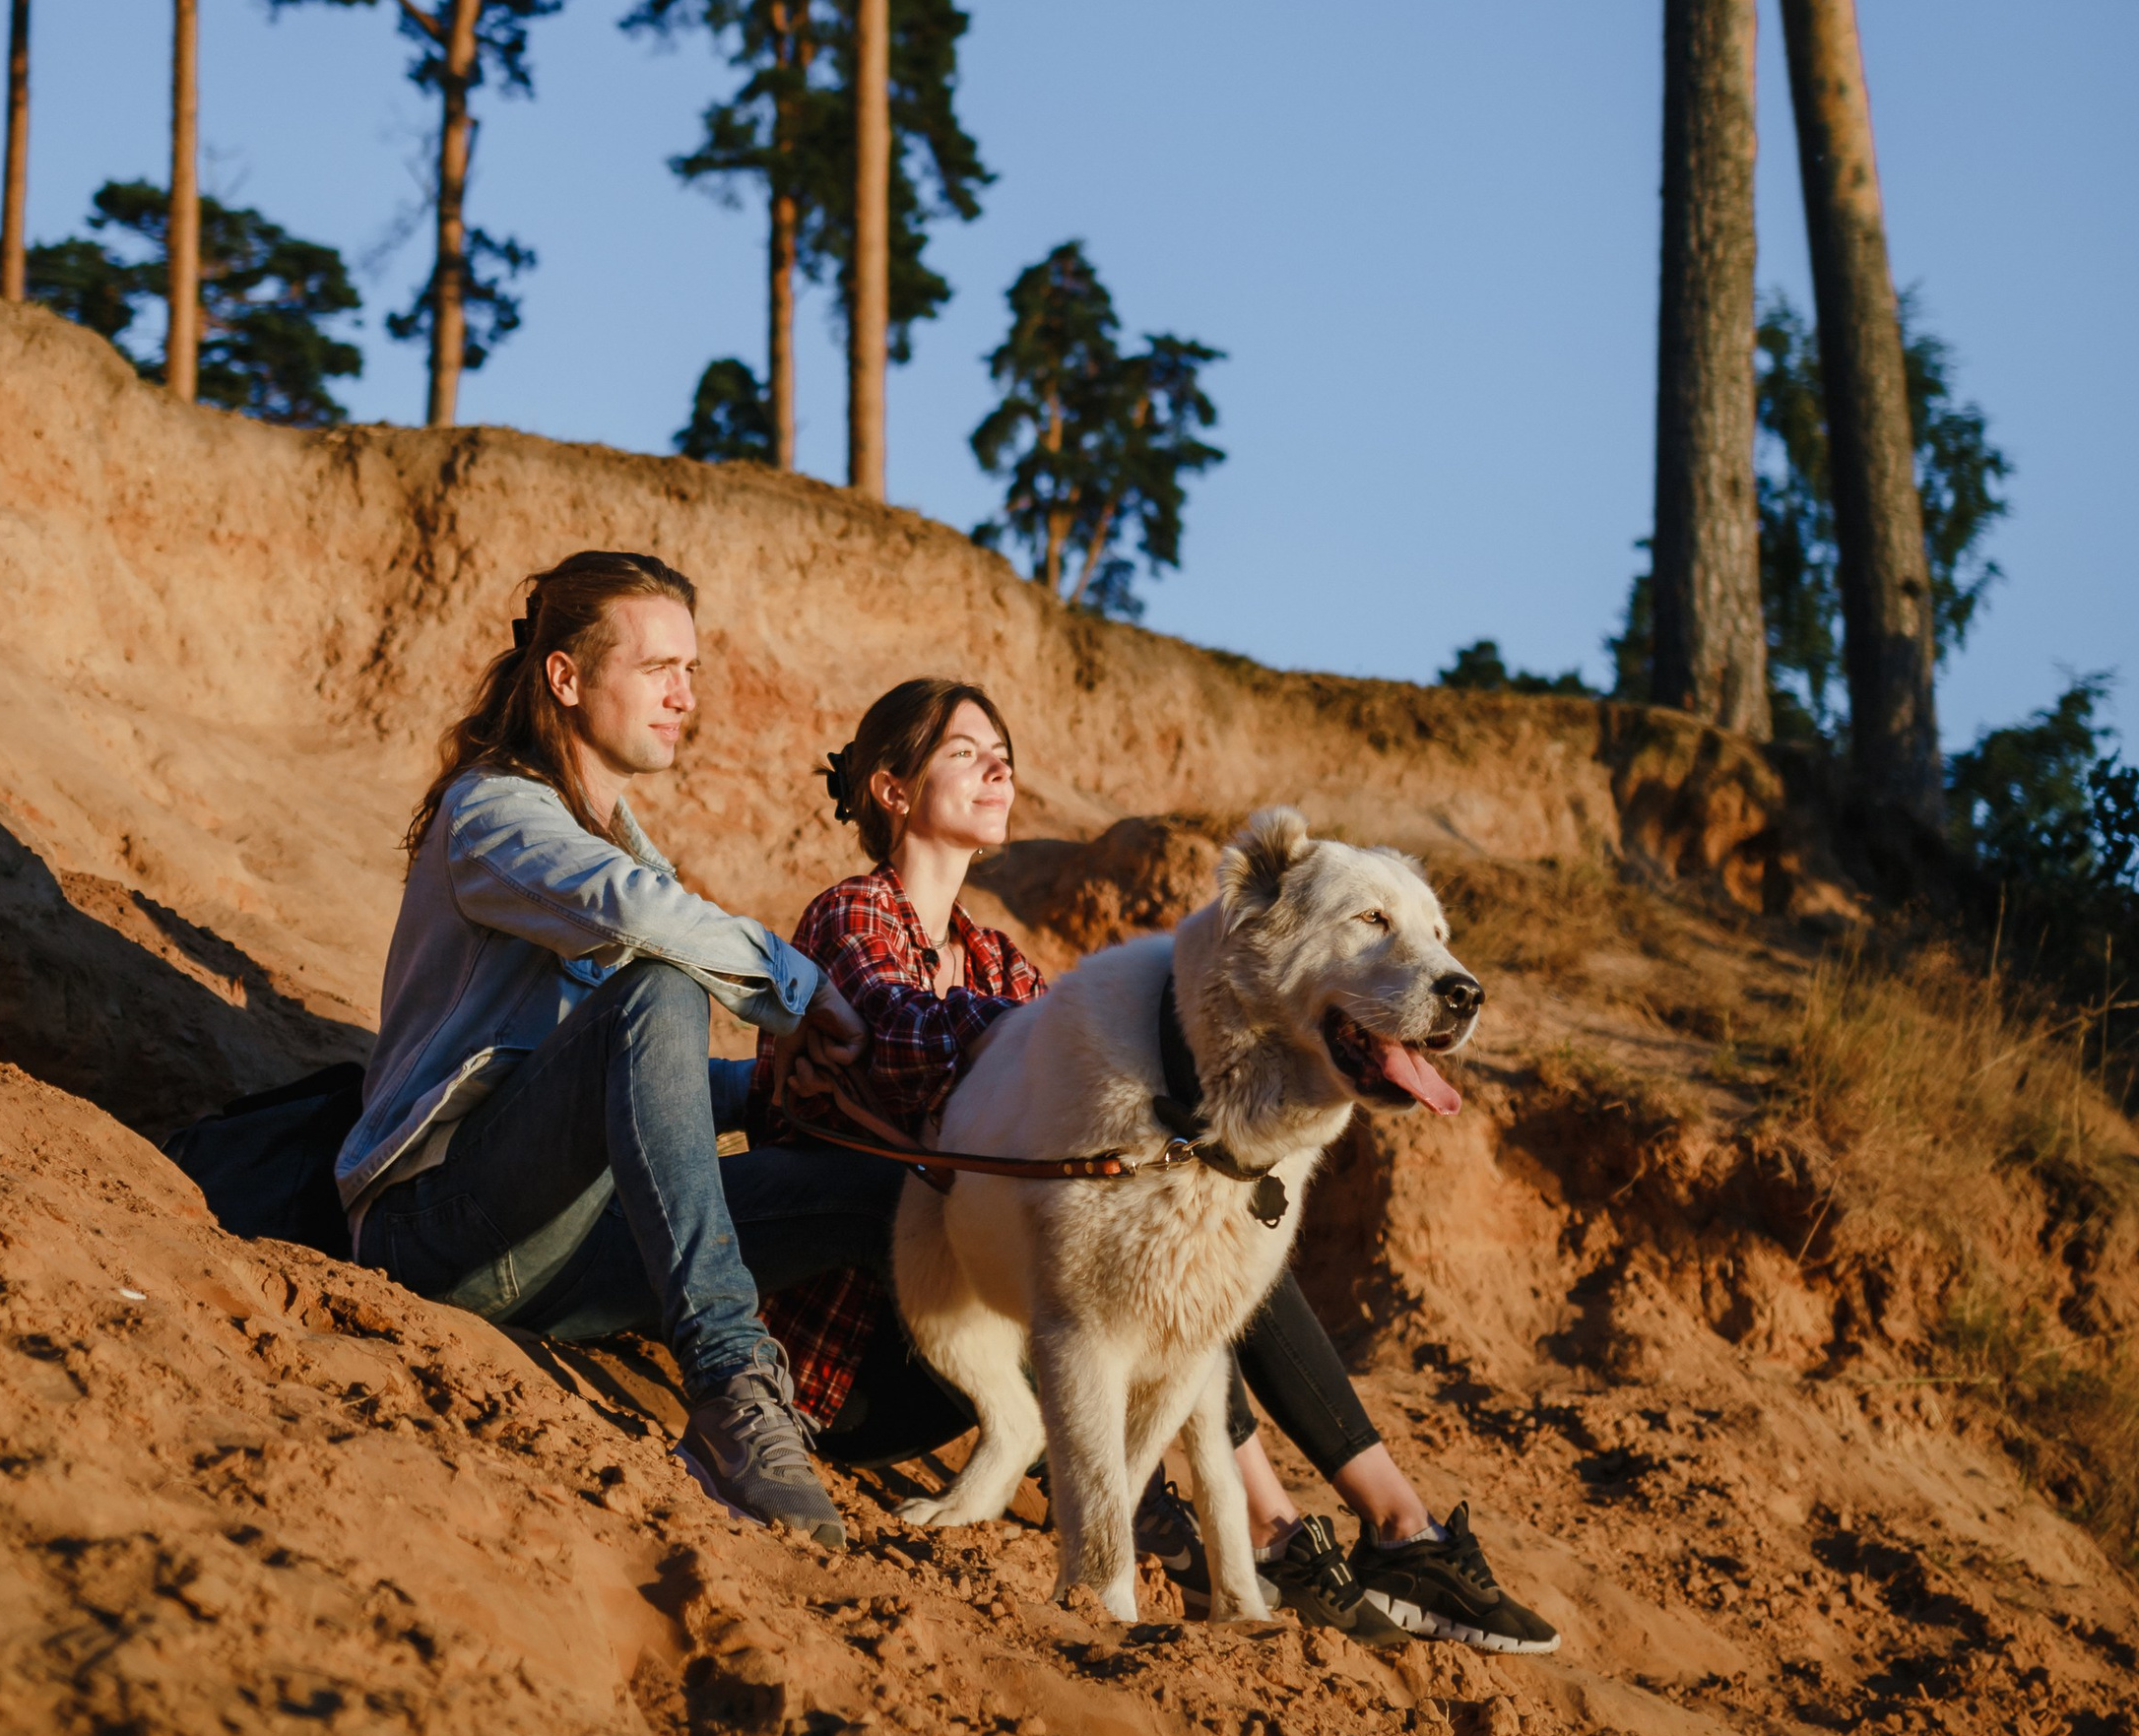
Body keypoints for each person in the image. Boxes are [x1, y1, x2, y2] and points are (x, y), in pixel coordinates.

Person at [749, 676, 1558, 1655]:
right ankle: (1316, 1528)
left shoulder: (998, 958)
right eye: (967, 750)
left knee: (1208, 1238)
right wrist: (1083, 1034)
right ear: (889, 787)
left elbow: (1036, 1060)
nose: (998, 765)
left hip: (987, 1358)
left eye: (1004, 748)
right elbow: (894, 1034)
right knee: (1180, 1239)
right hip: (866, 1335)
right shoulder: (853, 918)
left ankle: (1351, 1525)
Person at [341, 550, 899, 1550]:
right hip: (439, 1233)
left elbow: (629, 1085)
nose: (685, 696)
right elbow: (632, 921)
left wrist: (765, 1087)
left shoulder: (620, 837)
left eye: (691, 669)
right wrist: (801, 998)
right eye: (657, 669)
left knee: (879, 1189)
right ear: (565, 677)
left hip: (568, 1241)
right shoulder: (495, 810)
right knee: (659, 979)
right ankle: (731, 1384)